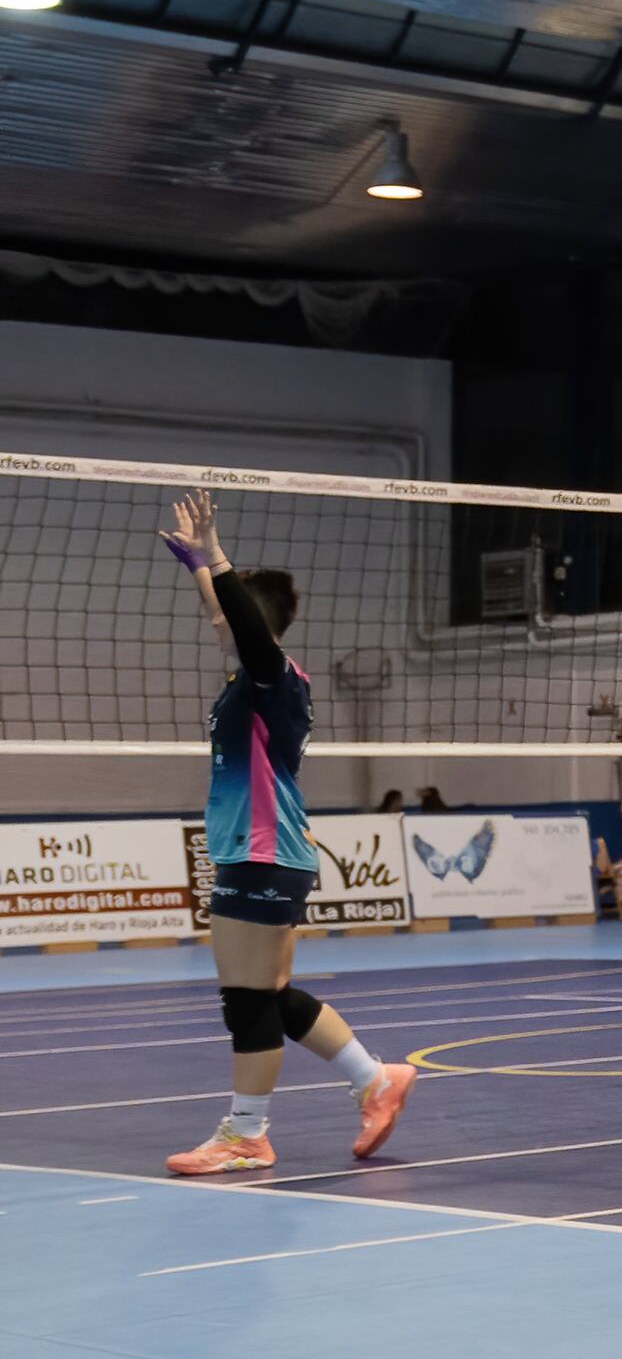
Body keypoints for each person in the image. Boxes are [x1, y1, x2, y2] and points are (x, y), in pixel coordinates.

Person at [155, 492, 415, 1175]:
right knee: (265, 995)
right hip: (264, 854)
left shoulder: (270, 676)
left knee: (246, 1000)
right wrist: (204, 571)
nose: (210, 618)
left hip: (263, 855)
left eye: (221, 610)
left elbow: (240, 622)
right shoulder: (254, 681)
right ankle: (375, 1079)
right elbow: (231, 619)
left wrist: (214, 557)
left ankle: (247, 1134)